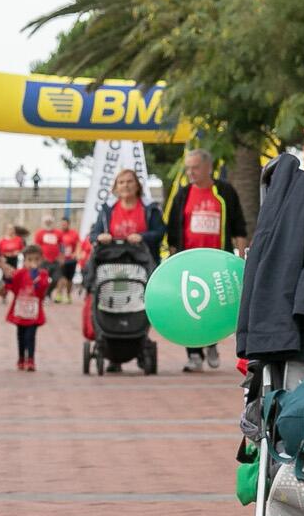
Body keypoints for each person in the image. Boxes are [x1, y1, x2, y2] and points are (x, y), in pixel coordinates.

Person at [160, 150, 247, 370]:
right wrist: (173, 259)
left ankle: (211, 342)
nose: (191, 172)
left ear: (209, 167)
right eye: (188, 168)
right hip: (188, 262)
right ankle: (194, 355)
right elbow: (173, 230)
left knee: (215, 305)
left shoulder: (225, 192)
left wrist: (243, 258)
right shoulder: (183, 194)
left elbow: (239, 227)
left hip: (217, 262)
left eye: (195, 167)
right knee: (189, 306)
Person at [88, 167, 163, 371]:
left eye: (129, 181)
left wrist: (144, 237)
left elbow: (159, 232)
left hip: (139, 264)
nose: (126, 186)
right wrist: (100, 237)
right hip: (112, 267)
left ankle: (137, 339)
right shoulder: (108, 210)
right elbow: (93, 234)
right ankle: (112, 350)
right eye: (121, 182)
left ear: (137, 185)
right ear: (115, 187)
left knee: (137, 302)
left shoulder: (149, 208)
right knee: (113, 301)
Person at [1, 243, 53, 371]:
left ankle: (30, 359)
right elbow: (12, 286)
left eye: (36, 259)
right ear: (24, 260)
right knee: (20, 336)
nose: (33, 263)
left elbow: (42, 290)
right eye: (29, 260)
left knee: (30, 336)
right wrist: (7, 278)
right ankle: (20, 358)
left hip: (33, 313)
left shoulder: (43, 274)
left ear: (41, 260)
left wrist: (36, 277)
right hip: (21, 311)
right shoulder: (20, 273)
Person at [53, 216, 81, 303]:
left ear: (68, 224)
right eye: (62, 224)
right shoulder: (58, 234)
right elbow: (54, 246)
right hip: (62, 260)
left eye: (64, 224)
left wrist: (76, 253)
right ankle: (58, 294)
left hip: (71, 260)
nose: (63, 225)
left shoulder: (74, 233)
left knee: (69, 279)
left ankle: (68, 295)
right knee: (61, 278)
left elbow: (78, 244)